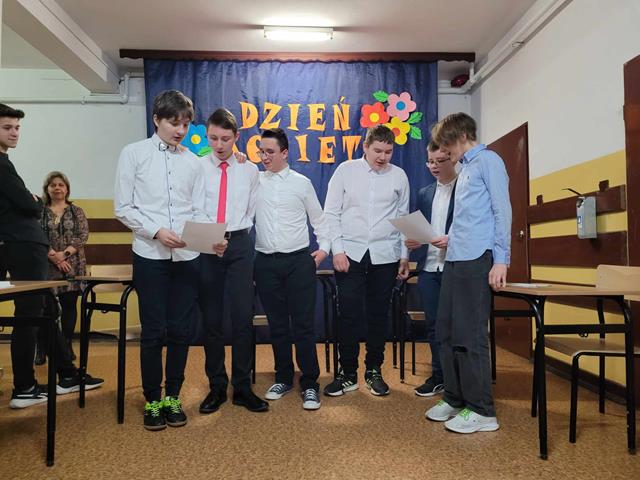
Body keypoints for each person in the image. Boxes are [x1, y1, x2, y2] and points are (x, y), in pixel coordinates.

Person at [114, 90, 223, 431]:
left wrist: (212, 238)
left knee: (180, 330)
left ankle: (173, 396)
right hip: (150, 255)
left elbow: (200, 209)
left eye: (186, 124)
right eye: (174, 123)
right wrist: (156, 231)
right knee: (154, 331)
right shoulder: (133, 154)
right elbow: (123, 207)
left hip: (187, 257)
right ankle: (152, 399)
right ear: (156, 119)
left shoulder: (193, 161)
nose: (181, 130)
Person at [0, 103, 103, 409]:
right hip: (22, 244)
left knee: (46, 310)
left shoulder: (6, 161)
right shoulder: (2, 165)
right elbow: (30, 205)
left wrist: (31, 201)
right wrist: (33, 202)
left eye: (17, 128)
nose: (15, 133)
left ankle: (67, 373)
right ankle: (25, 387)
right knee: (30, 315)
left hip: (24, 243)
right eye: (7, 128)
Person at [424, 113, 511, 434]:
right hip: (455, 258)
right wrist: (449, 239)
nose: (445, 152)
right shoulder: (465, 169)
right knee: (445, 330)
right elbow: (468, 218)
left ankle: (482, 410)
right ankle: (455, 397)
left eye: (447, 144)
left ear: (461, 136)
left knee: (470, 335)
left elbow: (502, 211)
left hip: (477, 258)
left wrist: (501, 260)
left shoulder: (489, 161)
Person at [323, 125, 410, 397]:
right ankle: (347, 373)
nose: (383, 157)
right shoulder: (345, 171)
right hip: (350, 253)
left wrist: (405, 256)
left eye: (388, 152)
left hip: (386, 255)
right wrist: (337, 250)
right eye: (377, 151)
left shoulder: (399, 176)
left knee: (378, 314)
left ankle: (374, 370)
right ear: (365, 147)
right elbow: (331, 213)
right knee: (348, 314)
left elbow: (403, 217)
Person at [254, 128, 333, 410]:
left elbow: (319, 220)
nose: (264, 157)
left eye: (270, 152)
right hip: (265, 262)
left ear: (285, 153)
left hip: (299, 262)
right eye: (261, 151)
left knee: (302, 326)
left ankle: (310, 383)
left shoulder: (302, 183)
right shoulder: (254, 181)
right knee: (277, 325)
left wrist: (324, 250)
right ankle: (283, 378)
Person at [197, 108, 268, 414]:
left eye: (225, 139)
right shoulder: (198, 167)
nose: (219, 145)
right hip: (207, 242)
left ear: (236, 137)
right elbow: (193, 206)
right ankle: (216, 386)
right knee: (211, 320)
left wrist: (235, 235)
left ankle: (242, 387)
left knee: (242, 318)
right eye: (213, 138)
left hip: (239, 243)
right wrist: (210, 236)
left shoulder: (249, 169)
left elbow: (251, 208)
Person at [405, 141, 457, 398]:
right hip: (429, 266)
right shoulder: (425, 193)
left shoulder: (465, 188)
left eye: (440, 161)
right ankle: (439, 376)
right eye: (430, 162)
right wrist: (414, 241)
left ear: (453, 158)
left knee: (455, 326)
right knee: (434, 325)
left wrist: (452, 239)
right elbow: (420, 229)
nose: (434, 166)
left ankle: (458, 379)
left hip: (455, 266)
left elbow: (473, 227)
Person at [35, 171, 89, 364]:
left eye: (61, 185)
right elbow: (36, 235)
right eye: (53, 185)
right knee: (43, 308)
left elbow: (82, 235)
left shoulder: (77, 211)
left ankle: (66, 345)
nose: (57, 188)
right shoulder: (39, 211)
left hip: (72, 265)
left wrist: (64, 255)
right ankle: (41, 347)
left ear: (67, 189)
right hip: (45, 264)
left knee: (69, 306)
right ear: (47, 189)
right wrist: (54, 257)